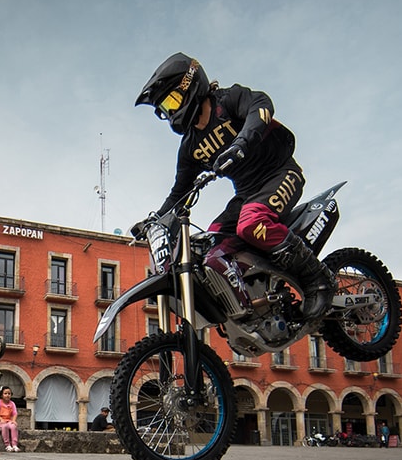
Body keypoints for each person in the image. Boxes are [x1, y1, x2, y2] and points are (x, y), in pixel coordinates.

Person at [134, 52, 336, 321]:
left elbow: (262, 105)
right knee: (210, 243)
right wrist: (155, 221)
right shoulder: (190, 147)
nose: (171, 112)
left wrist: (241, 144)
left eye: (172, 101)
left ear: (190, 86)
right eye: (165, 109)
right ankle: (252, 300)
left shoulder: (227, 102)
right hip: (247, 194)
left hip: (280, 173)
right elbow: (179, 191)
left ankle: (317, 279)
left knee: (251, 223)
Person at [0, 386, 21, 452]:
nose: (7, 395)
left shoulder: (12, 403)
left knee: (13, 426)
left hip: (9, 420)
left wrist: (14, 420)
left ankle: (14, 444)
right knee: (4, 427)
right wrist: (1, 419)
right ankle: (7, 445)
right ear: (1, 395)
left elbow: (15, 413)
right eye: (5, 393)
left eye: (9, 393)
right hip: (0, 421)